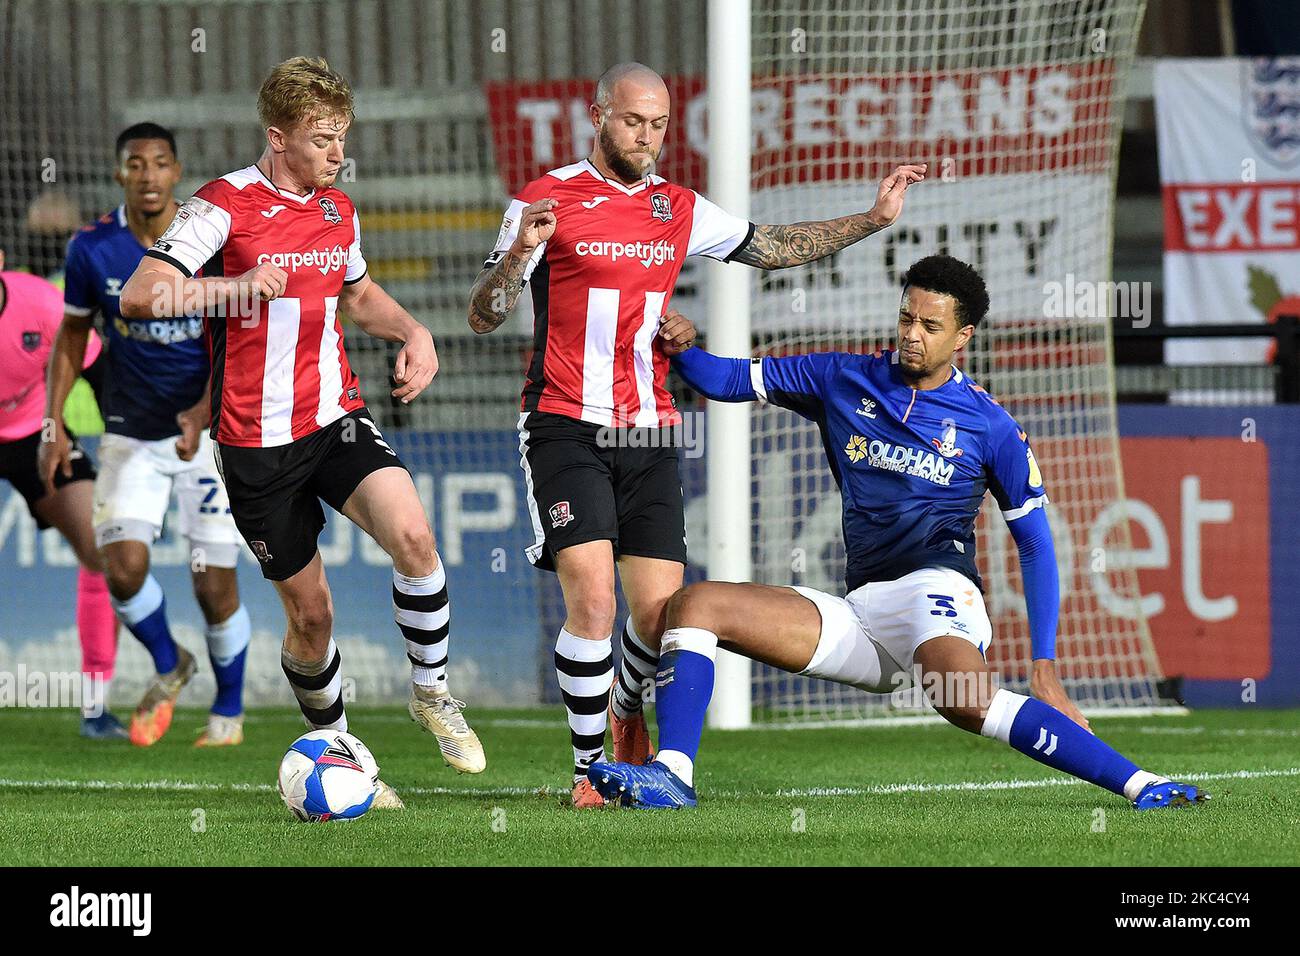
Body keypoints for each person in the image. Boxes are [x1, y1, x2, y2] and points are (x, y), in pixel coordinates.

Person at [588, 255, 1206, 812]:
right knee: (696, 605)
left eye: (930, 326)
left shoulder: (990, 427)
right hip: (862, 610)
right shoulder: (844, 378)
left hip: (935, 594)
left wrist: (1043, 666)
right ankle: (672, 775)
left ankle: (1140, 784)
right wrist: (681, 346)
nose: (912, 334)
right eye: (907, 317)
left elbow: (1037, 544)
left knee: (962, 697)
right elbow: (726, 380)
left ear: (963, 336)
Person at [468, 60, 926, 805]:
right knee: (593, 602)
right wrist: (521, 253)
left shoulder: (676, 207)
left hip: (651, 430)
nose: (646, 137)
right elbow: (483, 314)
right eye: (631, 121)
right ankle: (590, 771)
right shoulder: (544, 198)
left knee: (659, 617)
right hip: (563, 423)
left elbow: (771, 245)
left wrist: (871, 221)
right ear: (598, 114)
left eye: (658, 125)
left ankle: (624, 712)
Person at [119, 57, 484, 803]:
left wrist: (414, 330)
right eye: (322, 139)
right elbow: (139, 295)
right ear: (277, 137)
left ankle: (432, 692)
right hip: (256, 446)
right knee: (311, 617)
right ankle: (346, 755)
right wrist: (232, 287)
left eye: (342, 136)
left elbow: (357, 295)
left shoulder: (335, 210)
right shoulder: (221, 207)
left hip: (333, 418)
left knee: (415, 538)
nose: (337, 152)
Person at [43, 123, 252, 748]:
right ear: (120, 175)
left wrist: (203, 409)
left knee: (213, 586)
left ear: (176, 171)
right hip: (130, 430)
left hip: (211, 432)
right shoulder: (92, 249)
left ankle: (229, 714)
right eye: (136, 164)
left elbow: (242, 335)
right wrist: (55, 423)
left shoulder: (209, 242)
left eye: (161, 163)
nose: (149, 175)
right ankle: (171, 663)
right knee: (124, 569)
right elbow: (72, 339)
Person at [0, 248, 122, 737]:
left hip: (35, 437)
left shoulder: (40, 302)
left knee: (104, 552)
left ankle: (95, 708)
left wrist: (120, 440)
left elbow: (97, 370)